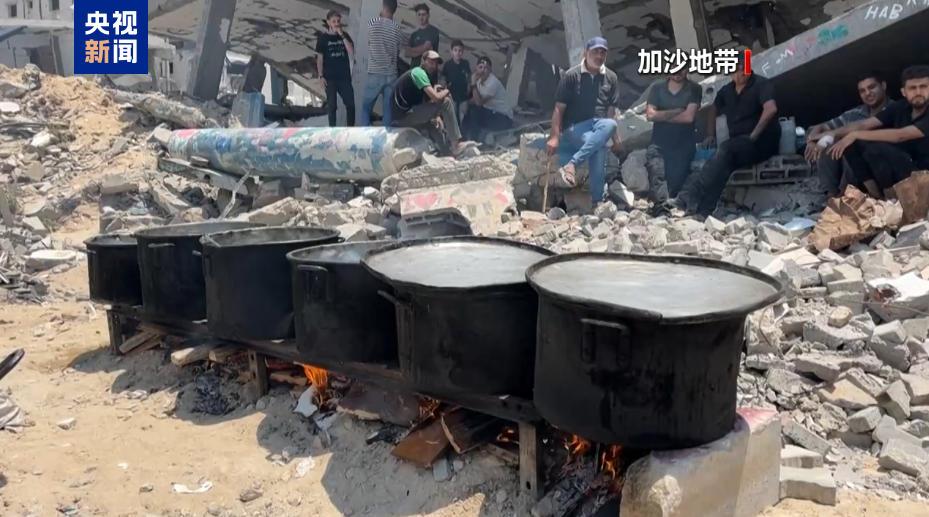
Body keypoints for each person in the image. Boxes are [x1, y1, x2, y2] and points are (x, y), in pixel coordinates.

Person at [666, 54, 780, 216]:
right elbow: (713, 109)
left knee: (725, 149)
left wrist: (753, 136)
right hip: (738, 145)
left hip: (761, 142)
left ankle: (688, 196)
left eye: (745, 68)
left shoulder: (762, 84)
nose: (742, 73)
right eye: (737, 69)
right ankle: (704, 211)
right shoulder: (727, 91)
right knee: (722, 165)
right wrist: (710, 134)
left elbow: (771, 109)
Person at [821, 65, 929, 199]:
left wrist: (855, 135)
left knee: (876, 147)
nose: (918, 92)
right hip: (902, 171)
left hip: (924, 175)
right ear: (903, 92)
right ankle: (877, 196)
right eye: (912, 88)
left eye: (923, 87)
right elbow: (864, 124)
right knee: (852, 144)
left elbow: (900, 135)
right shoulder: (900, 107)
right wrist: (830, 134)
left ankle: (891, 199)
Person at [546, 37, 620, 205]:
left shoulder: (611, 77)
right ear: (585, 53)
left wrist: (616, 140)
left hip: (600, 125)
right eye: (595, 52)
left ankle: (572, 165)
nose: (599, 56)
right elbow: (558, 108)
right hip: (575, 127)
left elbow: (611, 111)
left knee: (611, 124)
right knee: (599, 148)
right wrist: (554, 137)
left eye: (603, 52)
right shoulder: (571, 76)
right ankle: (598, 200)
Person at [805, 71, 889, 196]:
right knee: (826, 141)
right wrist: (812, 140)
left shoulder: (895, 109)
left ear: (883, 86)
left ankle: (850, 193)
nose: (867, 93)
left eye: (872, 87)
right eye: (862, 91)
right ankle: (832, 194)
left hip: (883, 171)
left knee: (852, 144)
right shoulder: (855, 113)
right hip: (853, 168)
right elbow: (822, 126)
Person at [391, 50, 468, 156]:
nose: (433, 66)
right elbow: (436, 98)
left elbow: (426, 102)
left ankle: (446, 153)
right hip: (402, 117)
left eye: (436, 63)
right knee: (446, 102)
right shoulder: (418, 72)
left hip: (407, 115)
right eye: (431, 62)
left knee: (434, 124)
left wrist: (436, 115)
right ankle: (456, 145)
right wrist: (447, 91)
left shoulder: (425, 77)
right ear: (423, 61)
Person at [644, 70, 702, 201]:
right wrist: (676, 111)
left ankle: (666, 202)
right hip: (659, 144)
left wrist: (661, 116)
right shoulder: (657, 88)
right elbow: (650, 115)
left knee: (674, 187)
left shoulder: (694, 88)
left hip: (683, 146)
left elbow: (688, 117)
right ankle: (661, 205)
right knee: (656, 173)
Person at [360, 0, 405, 126]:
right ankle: (386, 134)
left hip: (375, 73)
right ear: (394, 10)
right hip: (391, 74)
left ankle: (365, 132)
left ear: (383, 7)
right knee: (388, 110)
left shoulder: (373, 23)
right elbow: (397, 52)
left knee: (366, 107)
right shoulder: (397, 29)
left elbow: (369, 42)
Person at [316, 10, 356, 127]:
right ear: (328, 22)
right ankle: (332, 130)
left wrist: (342, 35)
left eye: (338, 21)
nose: (336, 24)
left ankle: (350, 129)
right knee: (332, 106)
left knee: (350, 104)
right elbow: (319, 59)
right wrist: (320, 76)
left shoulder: (344, 35)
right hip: (330, 77)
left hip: (344, 77)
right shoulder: (323, 38)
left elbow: (351, 51)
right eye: (334, 21)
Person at [461, 56, 514, 141]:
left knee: (475, 111)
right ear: (476, 68)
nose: (483, 70)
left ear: (490, 70)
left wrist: (473, 84)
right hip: (491, 113)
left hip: (504, 119)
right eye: (480, 67)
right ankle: (461, 138)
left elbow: (479, 102)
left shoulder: (493, 82)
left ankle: (474, 141)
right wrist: (464, 103)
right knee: (469, 109)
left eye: (486, 68)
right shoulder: (479, 81)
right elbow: (474, 99)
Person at [441, 39, 471, 121]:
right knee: (452, 116)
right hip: (452, 95)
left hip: (463, 96)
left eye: (460, 51)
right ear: (451, 51)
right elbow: (443, 78)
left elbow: (469, 77)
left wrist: (468, 89)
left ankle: (462, 128)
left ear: (463, 52)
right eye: (455, 50)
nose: (458, 53)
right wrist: (444, 90)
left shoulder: (465, 63)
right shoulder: (447, 64)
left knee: (463, 117)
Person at [407, 3, 440, 68]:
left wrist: (412, 51)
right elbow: (407, 53)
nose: (421, 17)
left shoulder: (434, 31)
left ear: (428, 15)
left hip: (429, 69)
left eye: (423, 14)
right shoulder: (414, 34)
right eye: (419, 14)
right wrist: (422, 49)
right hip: (414, 69)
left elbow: (428, 48)